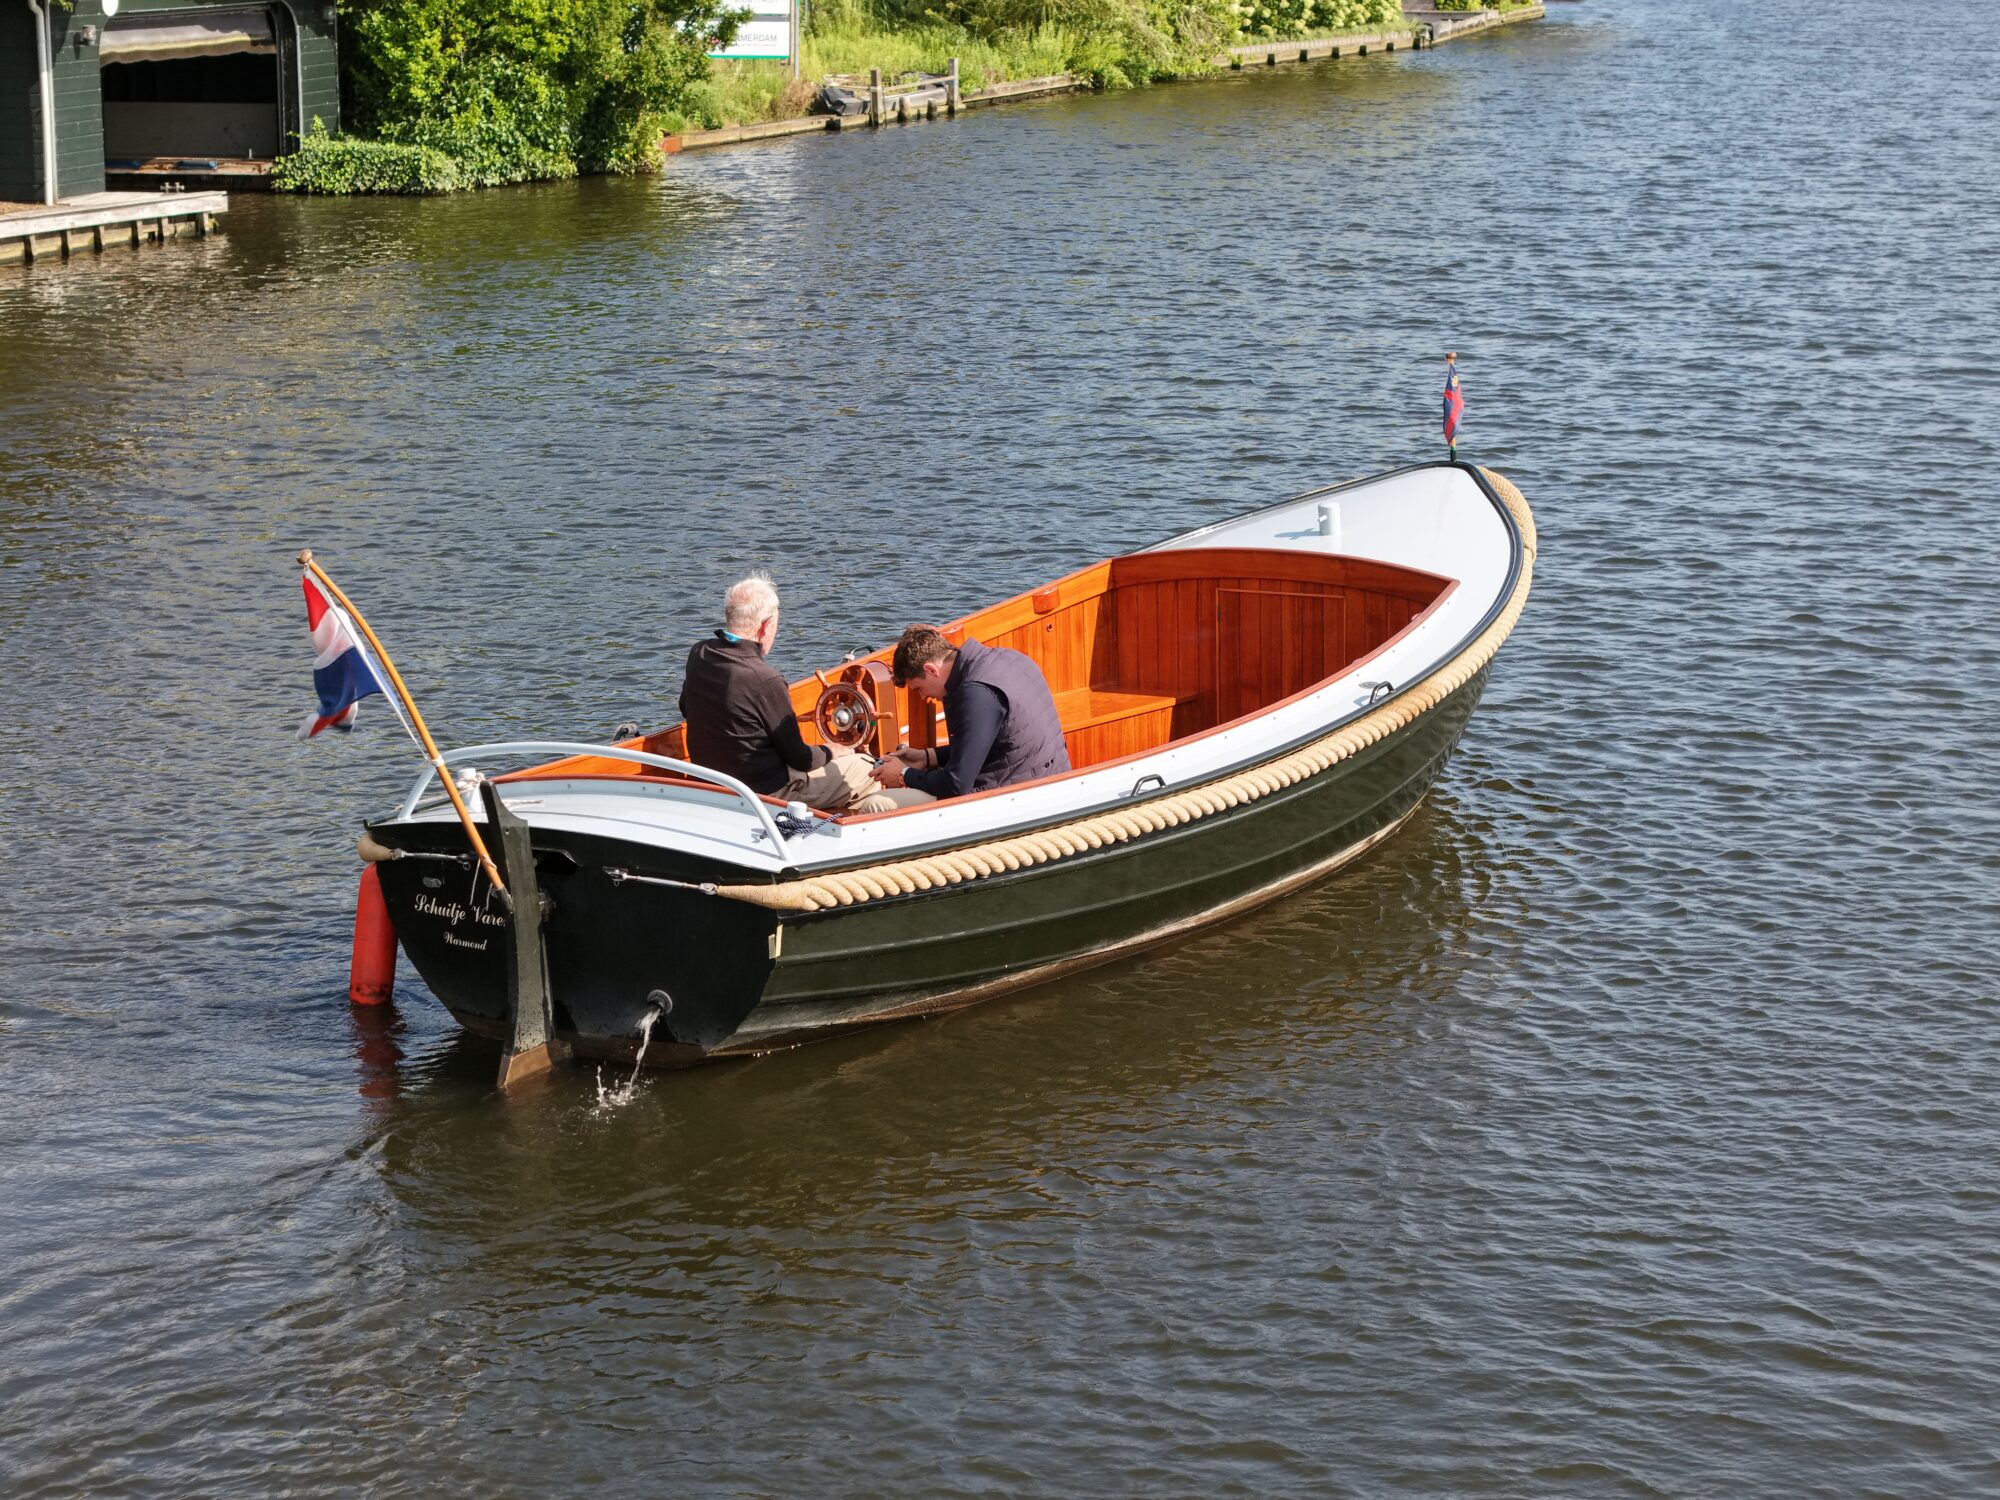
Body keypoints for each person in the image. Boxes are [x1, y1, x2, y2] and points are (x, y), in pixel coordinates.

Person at [679, 575, 912, 815]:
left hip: (713, 785)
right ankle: (839, 826)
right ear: (766, 625)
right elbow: (801, 760)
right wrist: (833, 750)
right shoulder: (765, 680)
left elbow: (686, 707)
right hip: (765, 795)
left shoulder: (700, 653)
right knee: (867, 767)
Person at [870, 625, 1070, 803]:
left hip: (1021, 797)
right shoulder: (1008, 657)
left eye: (919, 688)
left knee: (876, 804)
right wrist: (926, 757)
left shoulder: (977, 693)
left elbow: (956, 785)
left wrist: (903, 774)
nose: (923, 697)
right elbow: (987, 746)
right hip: (1051, 780)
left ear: (931, 670)